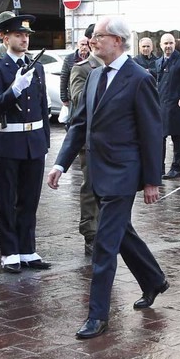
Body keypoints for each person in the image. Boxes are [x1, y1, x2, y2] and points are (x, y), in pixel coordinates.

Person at [48, 16, 167, 340]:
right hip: (97, 171)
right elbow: (78, 125)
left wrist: (151, 180)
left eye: (99, 36)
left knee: (104, 242)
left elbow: (152, 132)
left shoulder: (140, 78)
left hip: (124, 174)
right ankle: (154, 279)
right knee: (121, 233)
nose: (93, 41)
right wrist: (61, 164)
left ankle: (97, 315)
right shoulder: (94, 74)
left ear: (117, 40)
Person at [0, 11, 51, 274]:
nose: (24, 39)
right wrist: (14, 89)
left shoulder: (38, 67)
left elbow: (43, 107)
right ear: (4, 37)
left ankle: (27, 248)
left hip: (33, 140)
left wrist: (44, 140)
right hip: (9, 139)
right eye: (18, 35)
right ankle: (10, 251)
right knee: (7, 199)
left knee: (30, 199)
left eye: (26, 35)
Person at [69, 25, 101, 256]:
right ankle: (90, 232)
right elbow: (78, 99)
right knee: (90, 185)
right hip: (90, 137)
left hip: (114, 140)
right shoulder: (82, 69)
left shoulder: (118, 67)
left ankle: (109, 229)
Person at [154, 33, 180, 179]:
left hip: (177, 105)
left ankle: (176, 168)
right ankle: (159, 167)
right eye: (165, 43)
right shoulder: (158, 62)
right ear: (161, 45)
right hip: (161, 105)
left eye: (171, 43)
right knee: (160, 138)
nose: (168, 46)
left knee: (177, 138)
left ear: (174, 44)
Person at [59, 34, 90, 119]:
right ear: (78, 45)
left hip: (88, 97)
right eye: (82, 44)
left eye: (86, 44)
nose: (84, 47)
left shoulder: (92, 59)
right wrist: (64, 98)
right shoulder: (69, 58)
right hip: (73, 98)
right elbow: (64, 78)